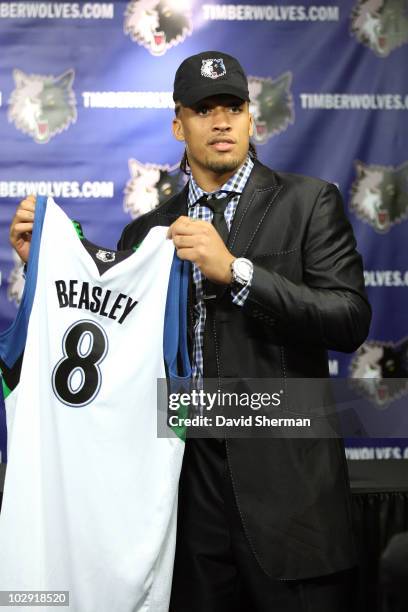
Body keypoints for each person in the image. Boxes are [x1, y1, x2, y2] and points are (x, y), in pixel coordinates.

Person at [10, 51, 371, 612]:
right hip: (180, 492)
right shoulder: (147, 231)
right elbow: (107, 347)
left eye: (233, 106)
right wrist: (47, 267)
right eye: (204, 110)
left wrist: (238, 273)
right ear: (179, 125)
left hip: (290, 497)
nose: (221, 121)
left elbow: (348, 318)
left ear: (253, 119)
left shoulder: (308, 201)